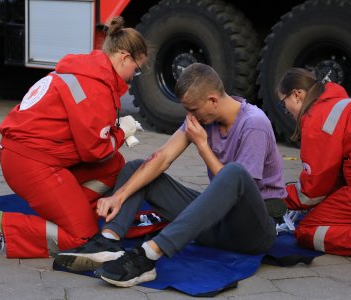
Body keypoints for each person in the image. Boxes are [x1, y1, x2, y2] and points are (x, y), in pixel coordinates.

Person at [53, 62, 287, 287]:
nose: (190, 116)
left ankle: (148, 256)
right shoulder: (203, 116)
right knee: (138, 167)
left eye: (193, 110)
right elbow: (163, 157)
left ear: (213, 100)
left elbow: (240, 191)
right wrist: (119, 195)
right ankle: (109, 241)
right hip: (218, 226)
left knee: (234, 173)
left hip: (254, 231)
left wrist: (203, 146)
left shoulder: (254, 123)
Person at [0, 16, 148, 258]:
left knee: (115, 165)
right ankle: (0, 224)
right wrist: (121, 132)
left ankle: (73, 214)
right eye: (136, 70)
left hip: (26, 156)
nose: (132, 77)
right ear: (124, 57)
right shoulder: (96, 87)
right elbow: (95, 150)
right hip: (32, 163)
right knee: (83, 240)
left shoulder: (86, 70)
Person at [277, 67, 351, 260]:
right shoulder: (346, 104)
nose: (286, 111)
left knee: (308, 229)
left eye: (283, 104)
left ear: (297, 95)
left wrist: (278, 197)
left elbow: (312, 192)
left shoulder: (317, 117)